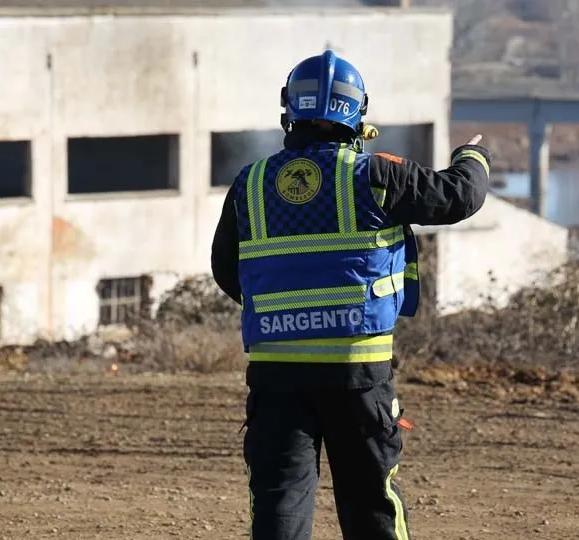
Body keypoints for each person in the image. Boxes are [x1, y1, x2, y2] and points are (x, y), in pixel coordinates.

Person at [210, 49, 491, 540]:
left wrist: (287, 312)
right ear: (358, 112)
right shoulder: (376, 175)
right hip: (357, 372)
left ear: (289, 108)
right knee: (370, 504)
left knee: (279, 501)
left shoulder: (249, 184)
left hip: (276, 373)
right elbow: (459, 197)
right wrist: (473, 157)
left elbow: (227, 271)